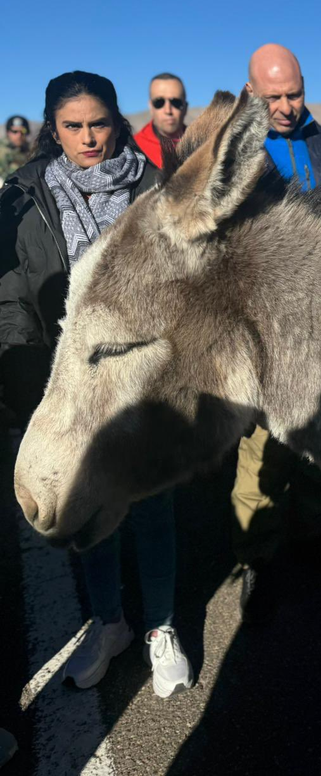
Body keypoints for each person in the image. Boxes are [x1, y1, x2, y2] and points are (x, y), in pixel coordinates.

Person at [0, 71, 192, 698]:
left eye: (100, 124)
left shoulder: (159, 190)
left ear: (117, 120)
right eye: (73, 127)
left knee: (154, 510)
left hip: (146, 380)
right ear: (52, 130)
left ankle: (161, 628)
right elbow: (14, 298)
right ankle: (107, 623)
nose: (89, 138)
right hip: (71, 389)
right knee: (89, 514)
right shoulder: (27, 199)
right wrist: (24, 373)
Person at [232, 44, 321, 624]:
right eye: (273, 96)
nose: (285, 106)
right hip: (263, 330)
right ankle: (257, 557)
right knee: (261, 454)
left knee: (319, 444)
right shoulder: (234, 156)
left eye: (294, 93)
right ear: (251, 93)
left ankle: (310, 534)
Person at [133, 72, 188, 169]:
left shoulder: (203, 146)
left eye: (176, 102)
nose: (168, 110)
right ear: (150, 107)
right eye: (159, 102)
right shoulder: (134, 148)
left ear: (185, 107)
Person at [0, 115, 32, 186]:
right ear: (8, 133)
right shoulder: (2, 151)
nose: (19, 135)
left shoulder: (31, 151)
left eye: (23, 131)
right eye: (14, 131)